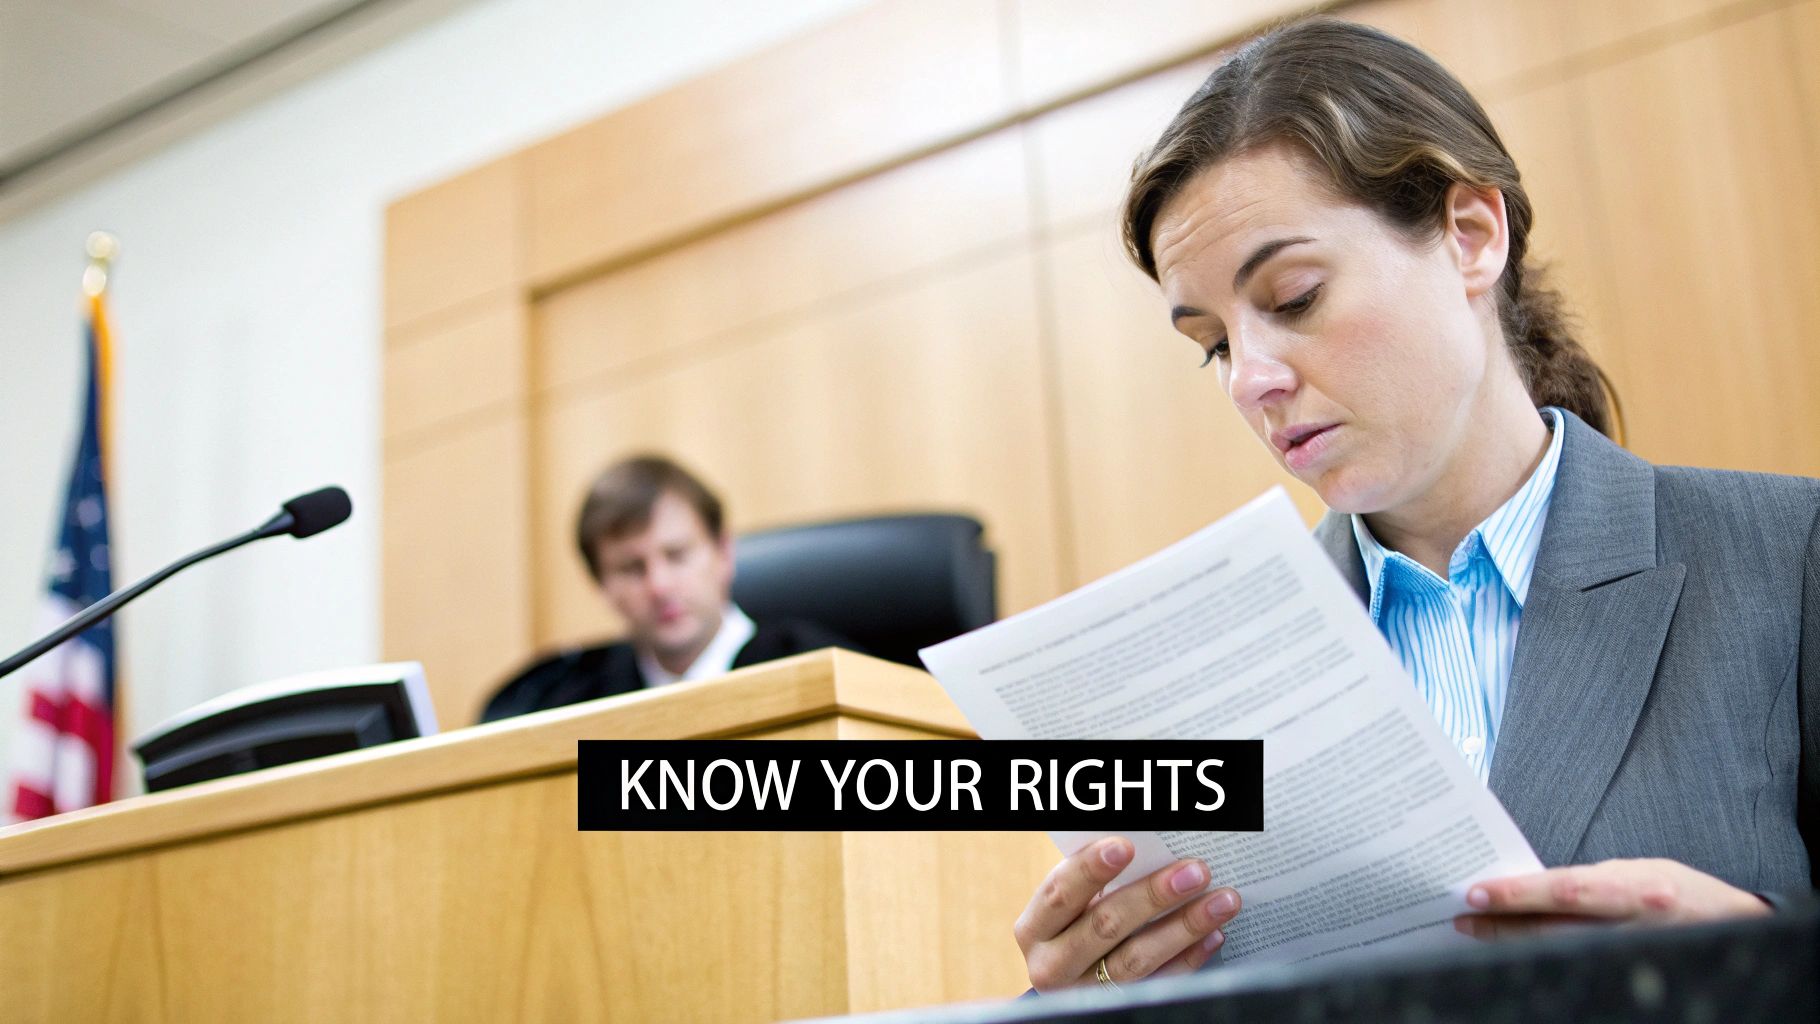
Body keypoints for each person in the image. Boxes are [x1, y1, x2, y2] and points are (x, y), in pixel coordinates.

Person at [1015, 17, 1818, 993]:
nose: (1248, 381)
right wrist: (1086, 995)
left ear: (1469, 236)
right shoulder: (1209, 687)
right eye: (1213, 344)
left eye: (1295, 295)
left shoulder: (1789, 558)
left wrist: (1766, 957)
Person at [480, 455, 855, 722]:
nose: (659, 586)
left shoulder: (826, 671)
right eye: (631, 568)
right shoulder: (564, 703)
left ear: (723, 553)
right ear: (602, 586)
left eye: (676, 555)